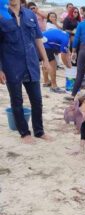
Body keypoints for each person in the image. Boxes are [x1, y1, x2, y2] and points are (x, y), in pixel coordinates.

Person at [0, 0, 51, 144]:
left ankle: (39, 131)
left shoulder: (30, 14)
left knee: (37, 100)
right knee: (17, 101)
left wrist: (45, 60)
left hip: (32, 63)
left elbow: (38, 38)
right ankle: (24, 133)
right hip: (11, 65)